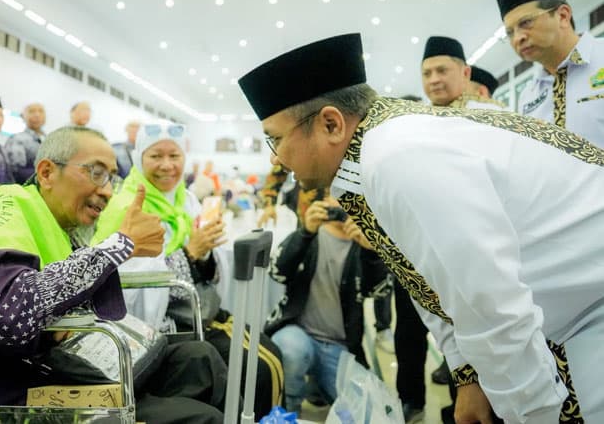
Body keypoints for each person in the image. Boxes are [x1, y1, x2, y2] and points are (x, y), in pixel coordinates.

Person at [237, 32, 604, 423]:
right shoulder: (380, 144)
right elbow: (426, 282)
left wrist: (533, 413)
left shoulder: (396, 156)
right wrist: (467, 374)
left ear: (331, 124)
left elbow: (490, 303)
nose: (275, 159)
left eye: (276, 139)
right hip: (569, 314)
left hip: (587, 313)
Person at [0, 126, 227, 423]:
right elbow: (11, 316)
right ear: (47, 173)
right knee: (201, 418)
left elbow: (69, 290)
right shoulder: (7, 211)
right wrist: (120, 245)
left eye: (111, 177)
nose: (107, 191)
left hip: (67, 363)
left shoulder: (59, 220)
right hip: (10, 386)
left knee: (200, 360)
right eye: (96, 173)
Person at [92, 122, 284, 417]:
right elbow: (126, 287)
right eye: (156, 156)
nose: (167, 165)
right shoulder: (127, 207)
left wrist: (204, 254)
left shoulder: (186, 199)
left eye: (174, 156)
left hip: (197, 312)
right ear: (139, 159)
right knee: (256, 368)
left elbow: (205, 267)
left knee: (268, 355)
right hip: (163, 325)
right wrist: (190, 253)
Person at [265, 190, 390, 413]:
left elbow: (379, 292)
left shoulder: (363, 243)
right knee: (291, 352)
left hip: (340, 346)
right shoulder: (311, 235)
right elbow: (277, 272)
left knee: (368, 410)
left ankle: (317, 386)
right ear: (324, 200)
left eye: (351, 197)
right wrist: (305, 232)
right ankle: (287, 411)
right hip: (298, 333)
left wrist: (371, 252)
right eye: (337, 196)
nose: (343, 203)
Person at [497, 0, 604, 148]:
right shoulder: (528, 95)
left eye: (526, 23)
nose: (517, 38)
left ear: (562, 16)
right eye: (510, 33)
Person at [421, 36, 504, 110]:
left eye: (442, 71)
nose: (433, 80)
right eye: (426, 73)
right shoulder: (416, 118)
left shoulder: (490, 114)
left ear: (465, 74)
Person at [5, 102, 46, 183]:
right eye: (32, 111)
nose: (37, 115)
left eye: (41, 111)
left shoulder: (49, 138)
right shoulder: (17, 139)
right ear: (23, 116)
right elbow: (17, 170)